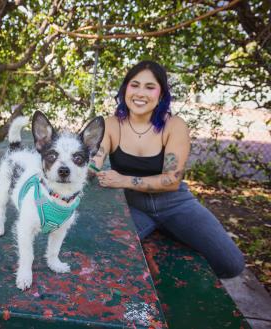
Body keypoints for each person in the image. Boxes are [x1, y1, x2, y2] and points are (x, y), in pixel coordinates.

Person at [91, 60, 244, 279]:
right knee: (104, 254)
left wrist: (123, 180)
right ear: (125, 89)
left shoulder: (174, 126)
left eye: (150, 87)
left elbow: (171, 180)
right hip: (132, 206)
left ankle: (170, 231)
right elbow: (95, 160)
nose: (140, 93)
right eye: (134, 85)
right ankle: (162, 231)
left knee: (231, 264)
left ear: (161, 94)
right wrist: (84, 167)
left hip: (175, 204)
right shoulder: (111, 124)